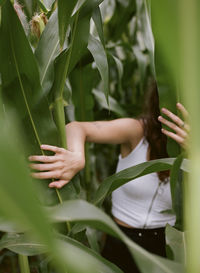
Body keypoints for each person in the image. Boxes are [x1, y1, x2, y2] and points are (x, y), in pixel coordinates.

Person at [29, 81, 189, 273]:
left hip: (169, 247)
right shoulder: (137, 131)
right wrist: (78, 157)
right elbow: (77, 128)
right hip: (120, 243)